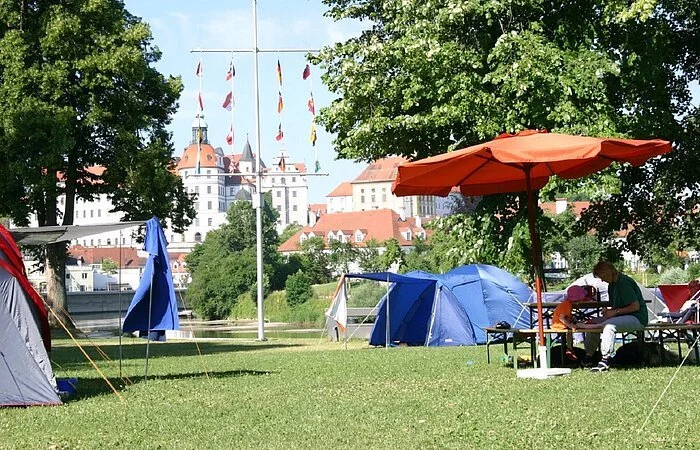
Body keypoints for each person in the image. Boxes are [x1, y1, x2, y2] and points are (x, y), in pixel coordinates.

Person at [577, 261, 648, 372]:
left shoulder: (625, 283)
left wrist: (614, 312)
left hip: (637, 318)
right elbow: (616, 307)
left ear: (608, 272)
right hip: (623, 316)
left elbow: (635, 307)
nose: (601, 280)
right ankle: (589, 356)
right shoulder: (612, 286)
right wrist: (608, 312)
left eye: (602, 276)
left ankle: (605, 360)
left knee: (609, 326)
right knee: (592, 323)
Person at [551, 285, 588, 361]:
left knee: (572, 330)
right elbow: (561, 318)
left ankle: (570, 348)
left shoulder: (567, 304)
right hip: (559, 325)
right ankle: (570, 349)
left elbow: (567, 316)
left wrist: (573, 319)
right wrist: (570, 325)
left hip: (560, 324)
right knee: (578, 327)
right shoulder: (566, 304)